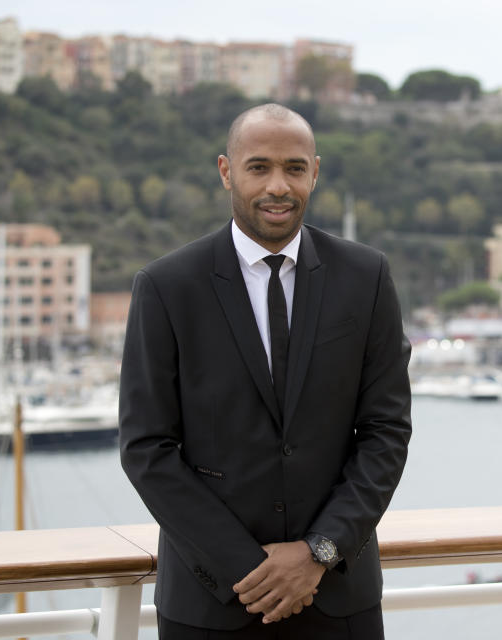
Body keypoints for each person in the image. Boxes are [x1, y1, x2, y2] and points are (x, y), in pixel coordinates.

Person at [119, 103, 412, 639]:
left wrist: (318, 553)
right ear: (227, 171)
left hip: (339, 598)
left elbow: (385, 431)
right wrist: (247, 569)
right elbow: (146, 447)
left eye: (294, 168)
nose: (279, 185)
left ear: (315, 172)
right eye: (259, 167)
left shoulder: (366, 277)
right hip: (211, 606)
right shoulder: (166, 287)